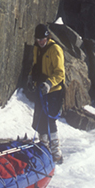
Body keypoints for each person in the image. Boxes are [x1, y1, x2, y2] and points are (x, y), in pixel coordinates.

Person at [31, 23, 65, 163]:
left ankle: (56, 152)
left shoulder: (55, 49)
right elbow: (35, 66)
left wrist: (49, 84)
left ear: (47, 37)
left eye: (43, 39)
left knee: (50, 118)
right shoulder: (36, 48)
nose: (40, 42)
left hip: (54, 90)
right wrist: (31, 79)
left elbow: (60, 73)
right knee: (40, 118)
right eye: (38, 40)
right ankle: (44, 149)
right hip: (41, 88)